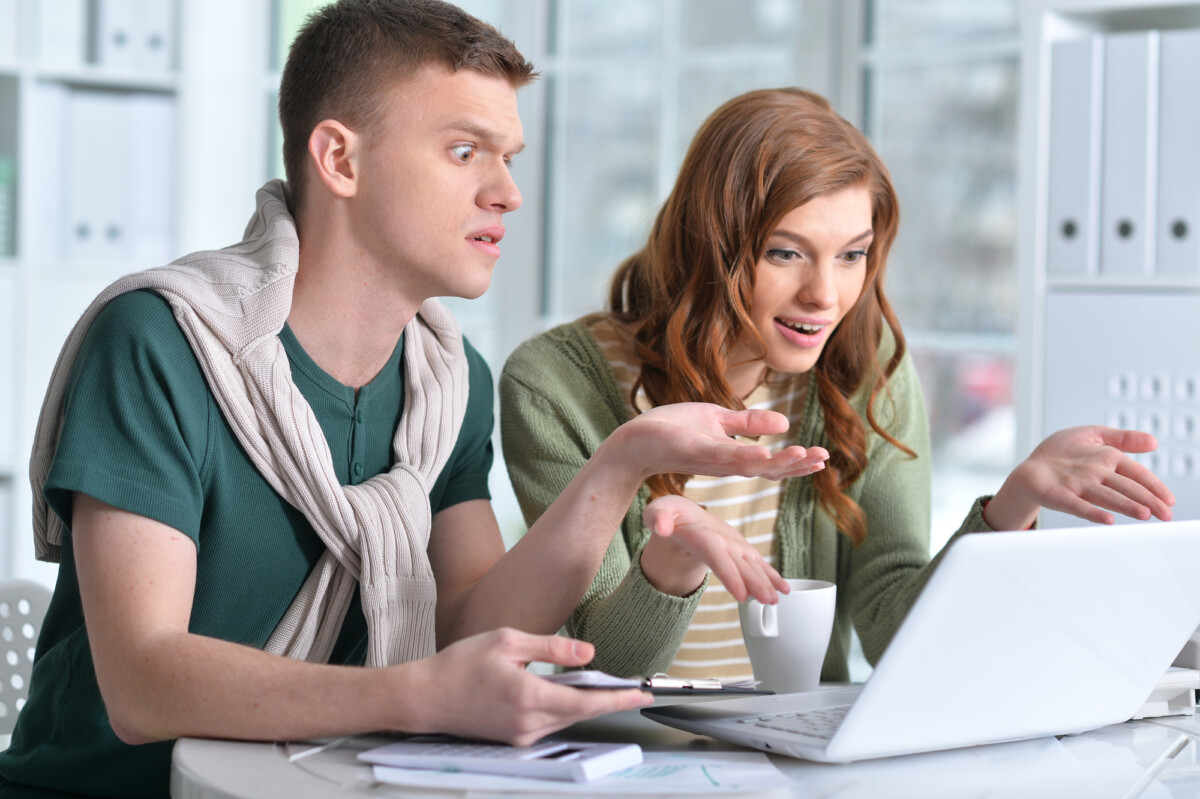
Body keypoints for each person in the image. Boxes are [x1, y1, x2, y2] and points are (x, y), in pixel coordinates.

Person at [0, 5, 828, 798]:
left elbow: (463, 624)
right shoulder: (162, 343)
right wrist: (416, 695)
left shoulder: (447, 380)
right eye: (466, 151)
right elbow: (144, 681)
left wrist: (624, 462)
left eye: (511, 158)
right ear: (340, 160)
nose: (506, 193)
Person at [499, 87, 1175, 683]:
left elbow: (891, 630)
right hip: (632, 765)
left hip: (796, 762)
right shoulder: (554, 385)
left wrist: (1011, 506)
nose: (826, 294)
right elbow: (607, 665)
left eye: (852, 254)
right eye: (785, 252)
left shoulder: (864, 364)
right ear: (712, 243)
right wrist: (673, 557)